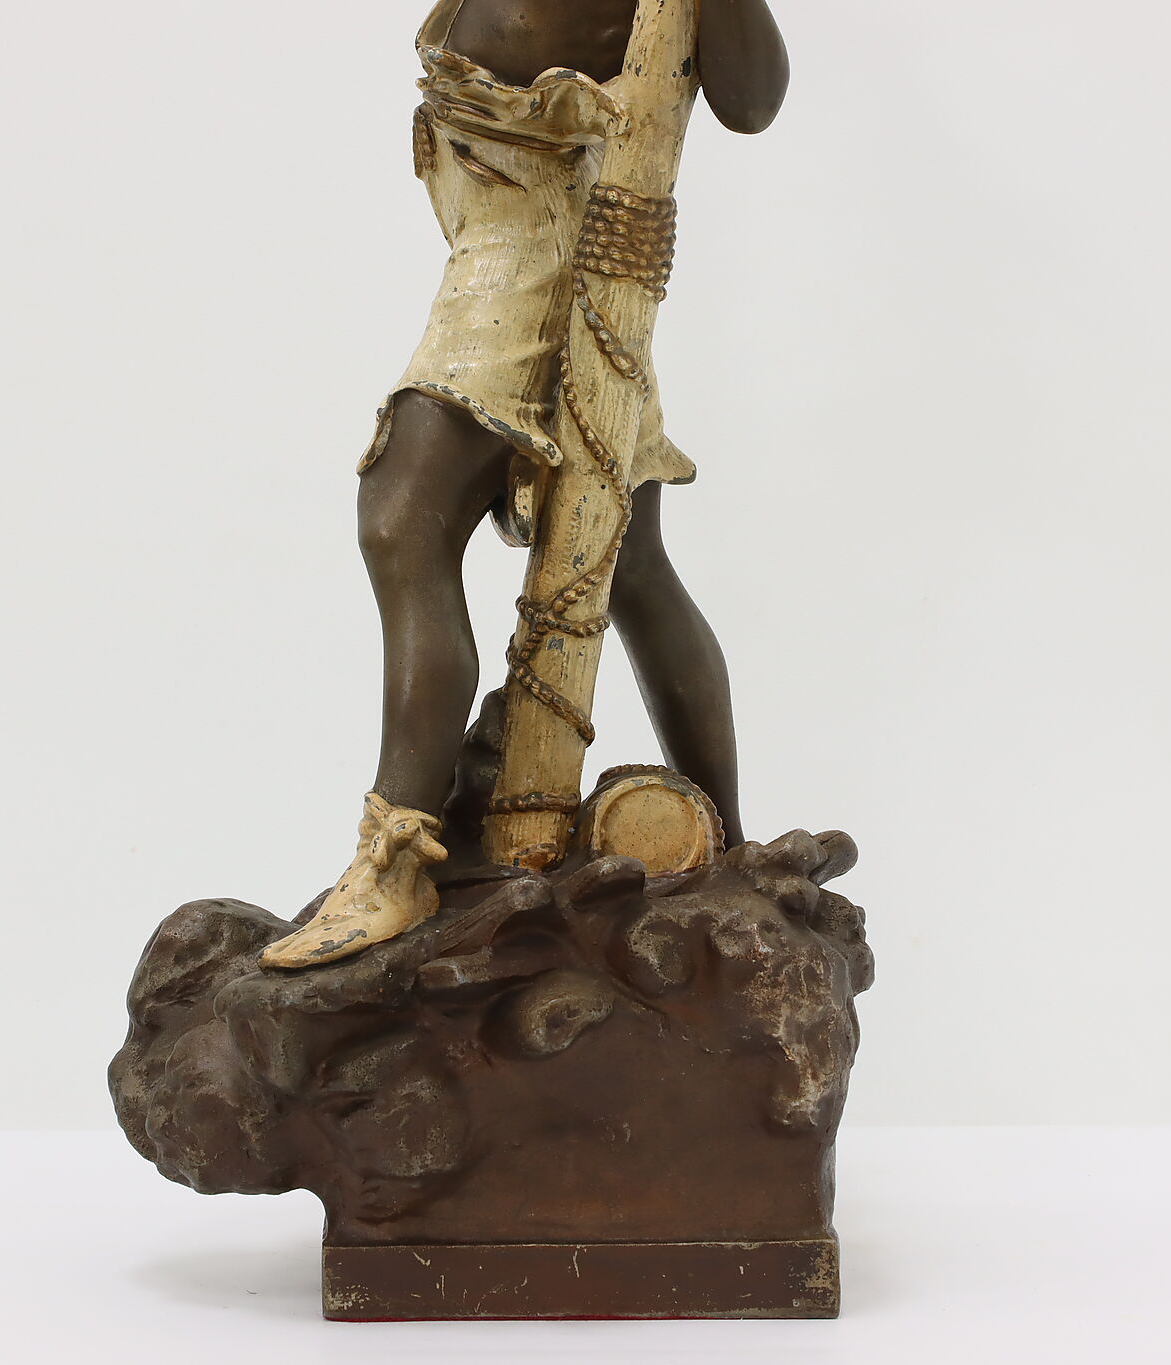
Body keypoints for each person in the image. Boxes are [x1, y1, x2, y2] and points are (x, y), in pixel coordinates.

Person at [262, 0, 790, 968]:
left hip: (531, 253)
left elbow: (752, 99)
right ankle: (733, 843)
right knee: (633, 566)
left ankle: (393, 860)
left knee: (401, 521)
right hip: (517, 228)